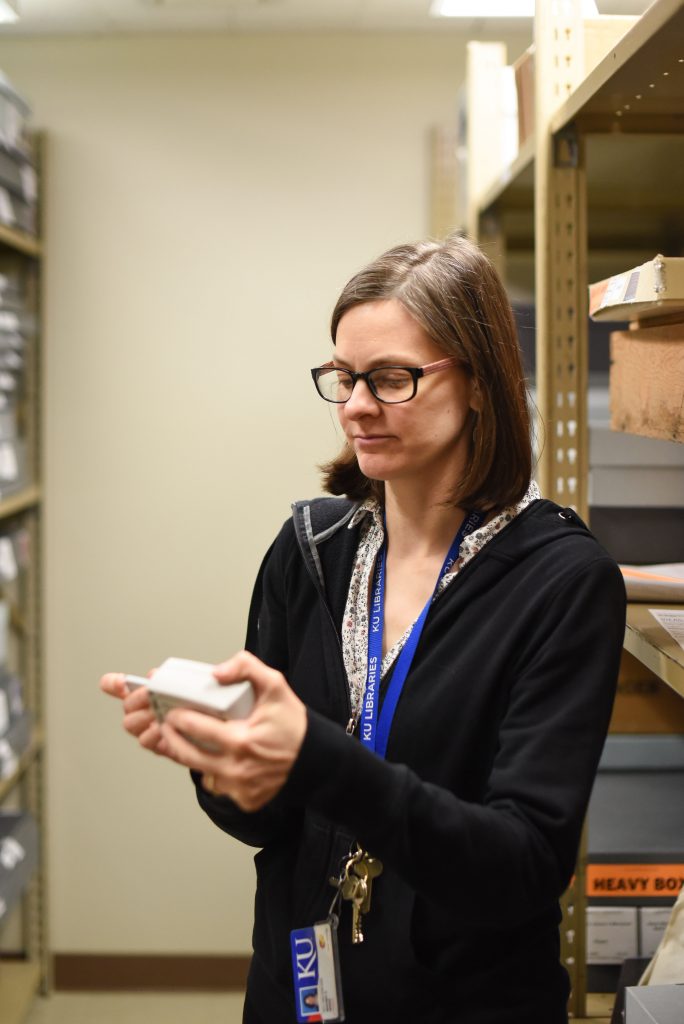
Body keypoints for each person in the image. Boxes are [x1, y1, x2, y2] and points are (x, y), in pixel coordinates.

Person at [101, 235, 626, 1024]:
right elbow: (269, 824)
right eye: (344, 377)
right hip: (301, 983)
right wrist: (224, 763)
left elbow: (523, 863)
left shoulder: (562, 582)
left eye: (391, 378)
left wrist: (318, 760)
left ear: (480, 383)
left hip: (464, 1000)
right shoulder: (310, 550)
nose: (354, 406)